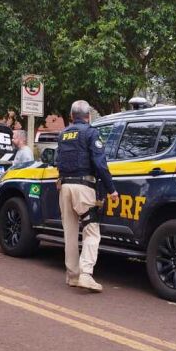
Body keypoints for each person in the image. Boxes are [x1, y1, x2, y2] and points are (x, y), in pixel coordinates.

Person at [55, 100, 118, 292]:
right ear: (88, 115)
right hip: (84, 187)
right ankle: (86, 274)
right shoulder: (91, 133)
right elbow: (100, 163)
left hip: (64, 187)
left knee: (70, 233)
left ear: (72, 116)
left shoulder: (63, 134)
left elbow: (59, 161)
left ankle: (72, 276)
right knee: (91, 231)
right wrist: (111, 189)